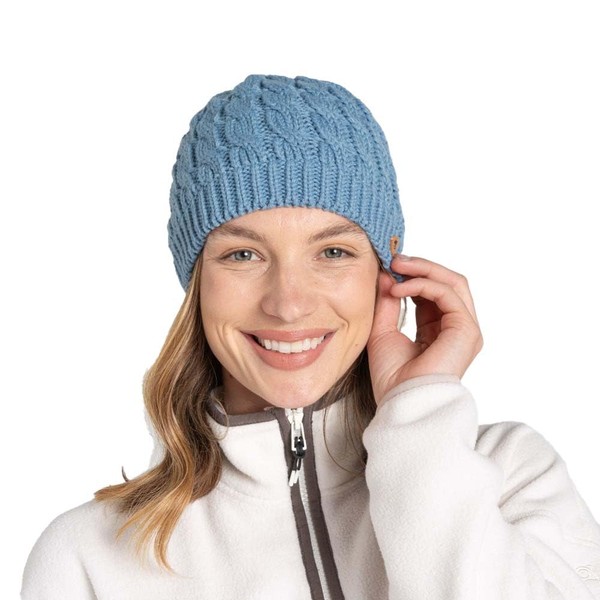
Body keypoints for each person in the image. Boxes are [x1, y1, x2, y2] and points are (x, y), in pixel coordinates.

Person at [21, 74, 600, 600]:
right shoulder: (87, 559)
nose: (288, 303)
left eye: (333, 252)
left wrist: (421, 420)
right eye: (243, 254)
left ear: (388, 271)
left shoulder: (509, 477)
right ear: (196, 283)